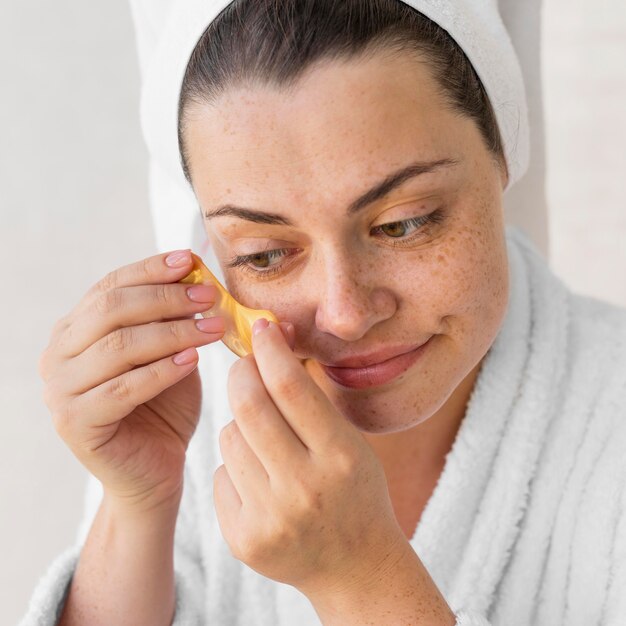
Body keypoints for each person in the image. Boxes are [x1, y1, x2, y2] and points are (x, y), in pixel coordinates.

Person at [21, 1, 626, 625]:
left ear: (502, 158)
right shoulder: (185, 414)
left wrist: (360, 577)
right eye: (265, 255)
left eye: (404, 223)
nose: (344, 314)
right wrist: (136, 504)